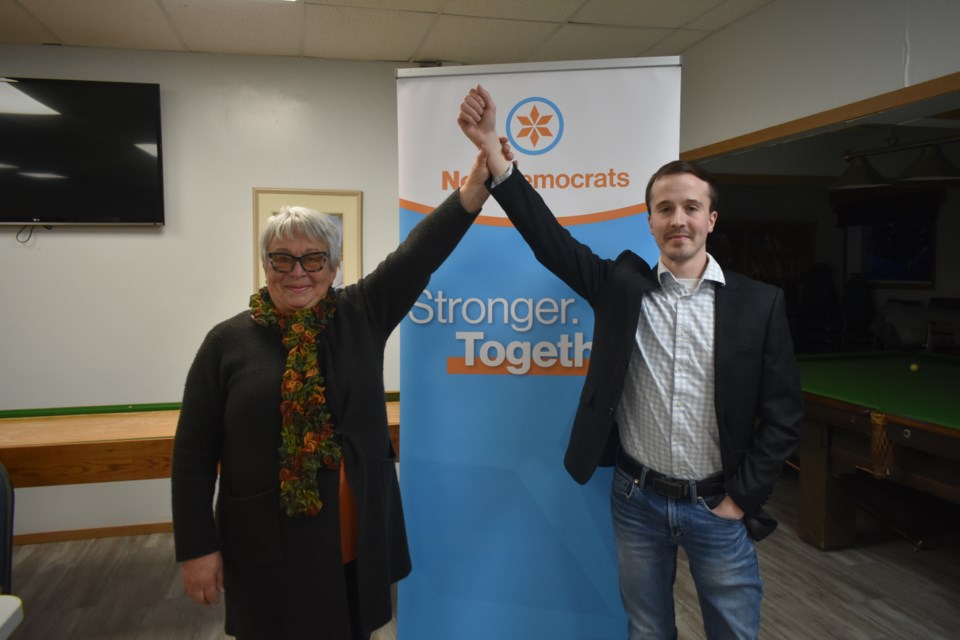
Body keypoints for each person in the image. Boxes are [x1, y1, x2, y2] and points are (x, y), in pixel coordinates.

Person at [458, 85, 804, 640]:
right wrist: (496, 159)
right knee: (646, 630)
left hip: (720, 504)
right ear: (649, 221)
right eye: (665, 209)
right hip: (637, 501)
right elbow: (551, 242)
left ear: (711, 219)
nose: (678, 220)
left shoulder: (760, 304)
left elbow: (785, 416)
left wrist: (740, 500)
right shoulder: (623, 286)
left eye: (691, 207)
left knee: (735, 633)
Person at [171, 146, 497, 639]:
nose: (297, 271)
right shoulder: (227, 342)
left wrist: (473, 189)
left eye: (313, 258)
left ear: (335, 265)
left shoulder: (361, 314)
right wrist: (197, 548)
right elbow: (193, 454)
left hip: (351, 539)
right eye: (282, 258)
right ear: (265, 265)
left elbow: (418, 256)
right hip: (264, 544)